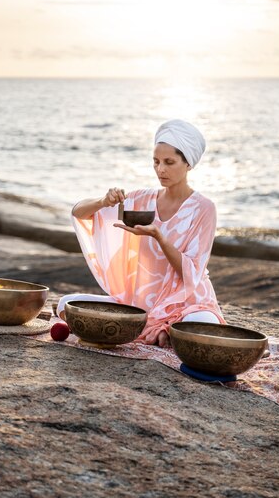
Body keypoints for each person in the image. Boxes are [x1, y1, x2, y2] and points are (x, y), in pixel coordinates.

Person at [57, 119, 225, 347]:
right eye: (155, 162)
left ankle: (166, 329)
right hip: (138, 302)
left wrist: (159, 237)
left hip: (187, 303)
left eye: (169, 162)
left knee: (201, 325)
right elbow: (79, 213)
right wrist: (103, 201)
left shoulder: (203, 208)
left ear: (189, 164)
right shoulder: (141, 199)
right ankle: (159, 331)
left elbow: (192, 274)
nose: (160, 169)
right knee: (65, 303)